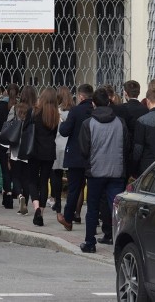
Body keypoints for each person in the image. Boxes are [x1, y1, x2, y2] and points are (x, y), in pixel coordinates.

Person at [78, 87, 129, 253]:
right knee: (116, 209)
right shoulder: (120, 122)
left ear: (93, 103)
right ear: (109, 101)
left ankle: (89, 242)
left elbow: (84, 149)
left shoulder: (88, 124)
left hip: (95, 171)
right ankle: (118, 243)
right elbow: (126, 146)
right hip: (117, 171)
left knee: (92, 208)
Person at [56, 83, 94, 231]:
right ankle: (94, 219)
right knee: (93, 189)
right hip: (93, 156)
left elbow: (65, 131)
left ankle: (68, 218)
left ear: (80, 96)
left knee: (74, 189)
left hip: (76, 156)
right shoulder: (95, 110)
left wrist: (63, 123)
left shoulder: (76, 111)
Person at [26, 87, 59, 226]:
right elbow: (55, 133)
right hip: (49, 151)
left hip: (34, 150)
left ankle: (36, 208)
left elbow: (25, 128)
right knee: (44, 181)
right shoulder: (55, 115)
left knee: (32, 180)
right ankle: (42, 212)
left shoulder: (34, 111)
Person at [9, 85, 38, 215]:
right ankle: (25, 204)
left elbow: (8, 125)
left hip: (16, 146)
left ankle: (19, 195)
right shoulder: (36, 110)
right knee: (27, 177)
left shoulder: (15, 108)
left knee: (15, 174)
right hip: (30, 147)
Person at [0, 84, 19, 209]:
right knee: (13, 168)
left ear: (7, 92)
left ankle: (7, 195)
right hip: (15, 141)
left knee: (4, 168)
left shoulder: (0, 105)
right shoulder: (19, 107)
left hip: (1, 141)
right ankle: (15, 192)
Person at [50, 85, 73, 214]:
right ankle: (69, 203)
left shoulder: (55, 111)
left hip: (57, 146)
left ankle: (57, 203)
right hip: (69, 147)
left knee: (56, 176)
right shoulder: (73, 112)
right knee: (71, 178)